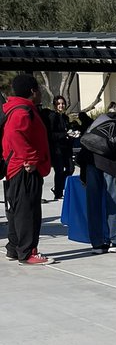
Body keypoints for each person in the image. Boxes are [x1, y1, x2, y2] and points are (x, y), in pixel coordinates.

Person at [2, 74, 55, 265]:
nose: (40, 93)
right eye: (39, 89)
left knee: (18, 210)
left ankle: (14, 249)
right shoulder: (23, 111)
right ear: (33, 91)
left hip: (16, 168)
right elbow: (14, 135)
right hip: (25, 169)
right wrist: (31, 159)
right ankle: (27, 253)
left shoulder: (16, 109)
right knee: (28, 212)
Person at [78, 106, 116, 253]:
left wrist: (82, 173)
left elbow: (86, 143)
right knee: (113, 201)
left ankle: (97, 243)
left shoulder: (100, 120)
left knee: (93, 202)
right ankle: (115, 241)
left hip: (91, 161)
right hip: (111, 164)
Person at [46, 96, 75, 199]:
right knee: (59, 170)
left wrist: (72, 134)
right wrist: (65, 134)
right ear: (55, 105)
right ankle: (58, 192)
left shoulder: (65, 118)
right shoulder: (53, 116)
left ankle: (58, 187)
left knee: (71, 168)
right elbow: (51, 134)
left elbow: (67, 130)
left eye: (62, 104)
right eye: (59, 104)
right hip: (57, 148)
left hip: (66, 147)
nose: (61, 106)